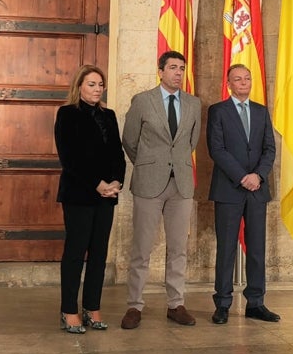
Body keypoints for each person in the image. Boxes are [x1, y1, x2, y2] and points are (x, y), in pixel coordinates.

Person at [119, 50, 202, 329]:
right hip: (148, 183)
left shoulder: (193, 104)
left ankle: (176, 304)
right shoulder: (143, 101)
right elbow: (129, 141)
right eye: (173, 68)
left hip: (181, 184)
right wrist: (149, 164)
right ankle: (134, 306)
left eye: (181, 68)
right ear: (161, 71)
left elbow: (190, 143)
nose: (178, 73)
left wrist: (174, 163)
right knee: (142, 249)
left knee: (178, 248)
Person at [54, 65, 125, 334]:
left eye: (100, 85)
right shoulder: (67, 114)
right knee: (75, 252)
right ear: (79, 86)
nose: (97, 89)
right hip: (79, 195)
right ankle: (69, 310)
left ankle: (92, 307)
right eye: (91, 84)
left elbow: (117, 154)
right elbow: (69, 158)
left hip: (108, 196)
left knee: (99, 254)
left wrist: (117, 182)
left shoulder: (109, 115)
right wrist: (97, 184)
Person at [206, 64, 279, 325]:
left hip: (257, 190)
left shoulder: (260, 111)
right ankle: (223, 303)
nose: (243, 82)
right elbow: (217, 149)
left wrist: (257, 176)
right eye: (238, 79)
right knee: (226, 248)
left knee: (257, 248)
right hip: (229, 189)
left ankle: (256, 302)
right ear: (229, 84)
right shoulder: (218, 111)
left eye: (247, 78)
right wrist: (242, 177)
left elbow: (269, 148)